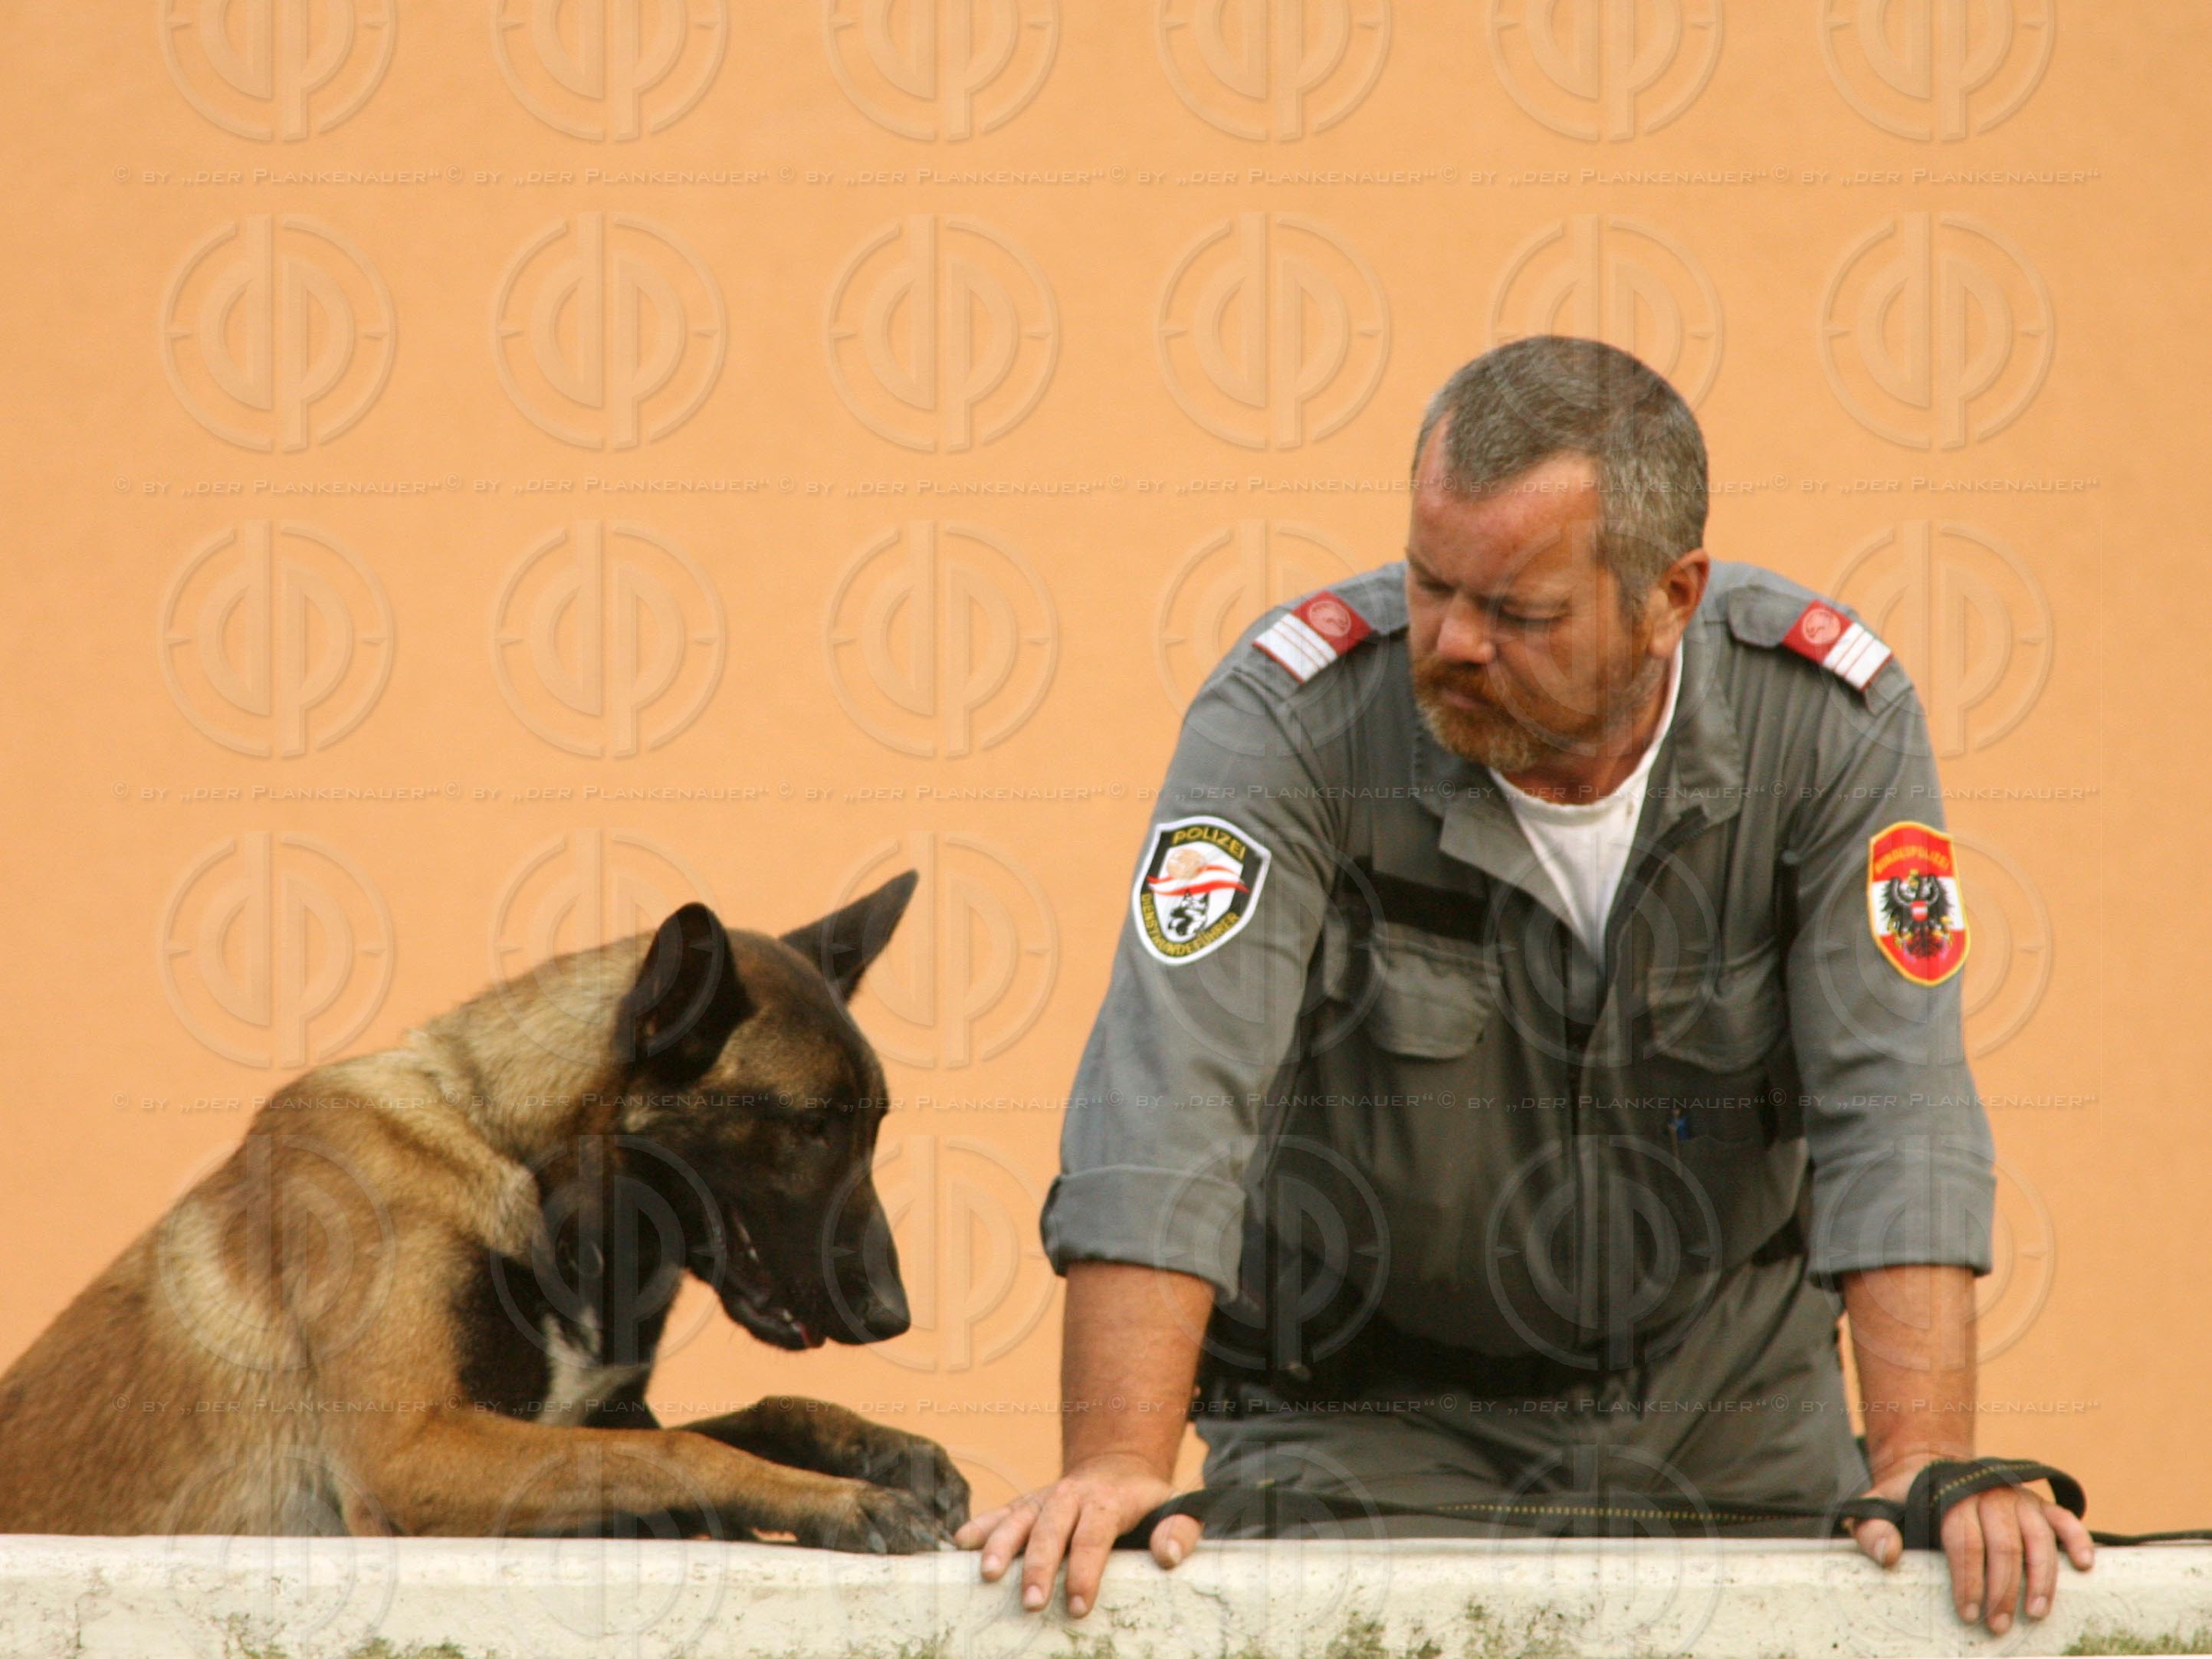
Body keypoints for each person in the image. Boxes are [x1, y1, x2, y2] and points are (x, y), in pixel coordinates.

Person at [954, 336, 2093, 1634]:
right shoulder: (1290, 723)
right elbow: (1170, 1095)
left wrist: (1918, 1463)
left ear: (1671, 595)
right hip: (1368, 1430)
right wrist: (1115, 1464)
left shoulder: (1828, 727)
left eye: (1520, 612)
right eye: (1429, 582)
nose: (1452, 641)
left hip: (1731, 1427)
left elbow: (1894, 1106)